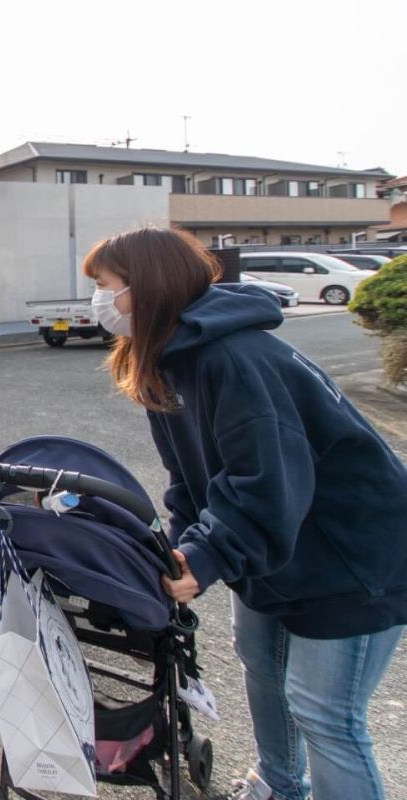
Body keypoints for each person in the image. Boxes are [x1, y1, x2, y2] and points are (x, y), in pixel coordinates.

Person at [84, 226, 407, 800]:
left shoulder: (235, 358)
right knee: (262, 669)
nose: (101, 301)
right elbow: (190, 482)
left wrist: (206, 557)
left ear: (147, 287)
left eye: (107, 286)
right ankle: (279, 784)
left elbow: (265, 485)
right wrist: (180, 552)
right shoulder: (161, 360)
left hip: (351, 554)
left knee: (324, 713)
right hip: (277, 548)